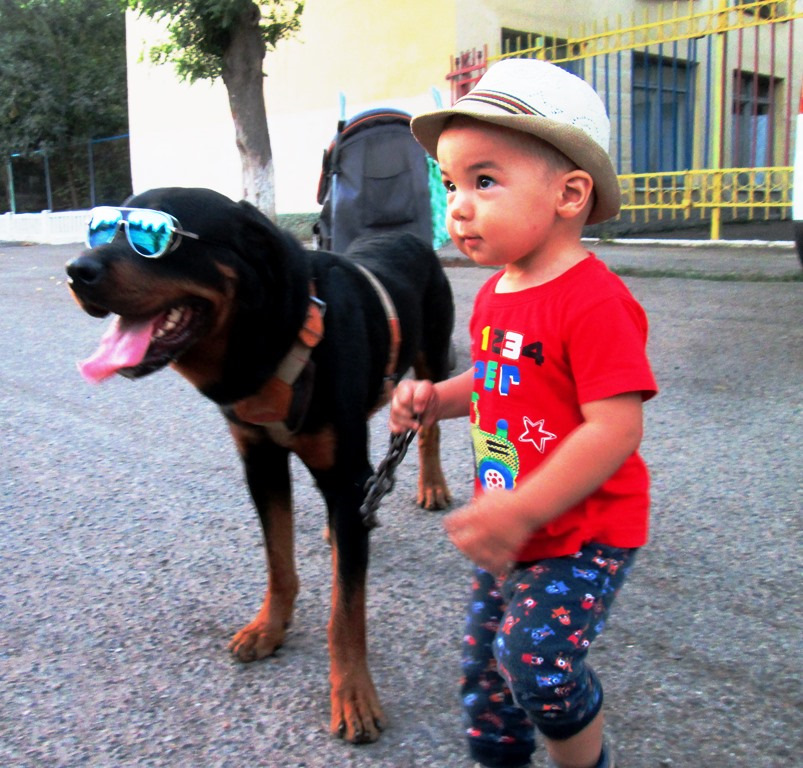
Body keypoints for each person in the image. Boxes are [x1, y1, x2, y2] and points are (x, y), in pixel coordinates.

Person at [389, 59, 658, 768]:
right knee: (485, 678)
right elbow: (493, 380)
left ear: (569, 194)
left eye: (484, 181)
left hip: (582, 532)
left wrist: (521, 509)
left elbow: (616, 427)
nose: (458, 206)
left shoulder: (594, 302)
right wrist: (436, 399)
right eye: (451, 184)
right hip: (512, 521)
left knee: (537, 668)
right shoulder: (498, 293)